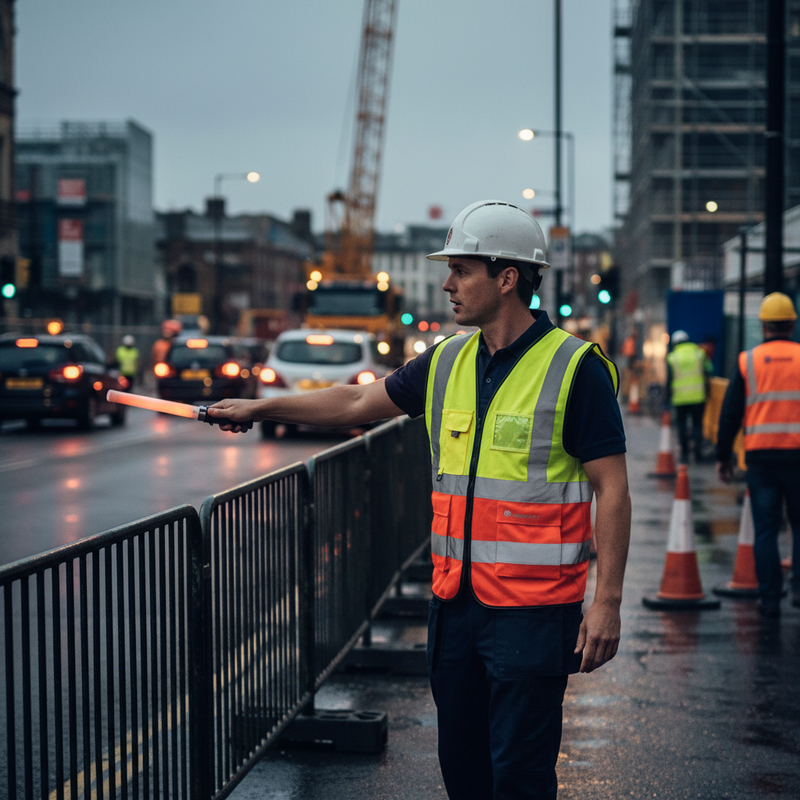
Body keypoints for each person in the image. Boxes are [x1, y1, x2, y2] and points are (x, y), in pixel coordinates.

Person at [207, 200, 631, 800]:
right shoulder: (448, 359)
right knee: (462, 770)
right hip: (455, 607)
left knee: (520, 776)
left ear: (507, 278)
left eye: (461, 270)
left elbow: (613, 488)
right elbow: (358, 402)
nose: (447, 284)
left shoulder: (574, 368)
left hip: (534, 615)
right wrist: (260, 406)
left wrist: (607, 602)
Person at [716, 292, 800, 618]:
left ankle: (770, 599)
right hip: (797, 457)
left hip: (761, 459)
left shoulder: (747, 361)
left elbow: (730, 413)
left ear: (763, 325)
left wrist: (723, 456)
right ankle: (798, 591)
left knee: (765, 530)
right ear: (792, 324)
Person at [665, 329, 714, 463]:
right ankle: (697, 453)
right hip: (698, 397)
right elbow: (709, 370)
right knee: (697, 425)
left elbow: (669, 380)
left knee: (681, 426)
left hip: (679, 398)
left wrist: (667, 399)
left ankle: (685, 454)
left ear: (675, 343)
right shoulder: (699, 353)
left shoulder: (672, 357)